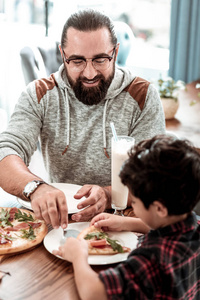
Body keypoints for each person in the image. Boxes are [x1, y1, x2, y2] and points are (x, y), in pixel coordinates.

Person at [0, 9, 165, 229]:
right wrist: (36, 187)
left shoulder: (143, 95)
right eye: (77, 61)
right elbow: (6, 152)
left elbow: (154, 177)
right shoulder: (39, 94)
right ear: (62, 54)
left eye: (100, 60)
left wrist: (107, 195)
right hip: (60, 220)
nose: (89, 73)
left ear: (115, 53)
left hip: (126, 218)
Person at [53, 135, 200, 300]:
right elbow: (168, 227)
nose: (133, 206)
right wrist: (126, 222)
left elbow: (94, 293)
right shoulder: (194, 223)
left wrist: (78, 257)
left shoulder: (151, 260)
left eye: (135, 201)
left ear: (159, 208)